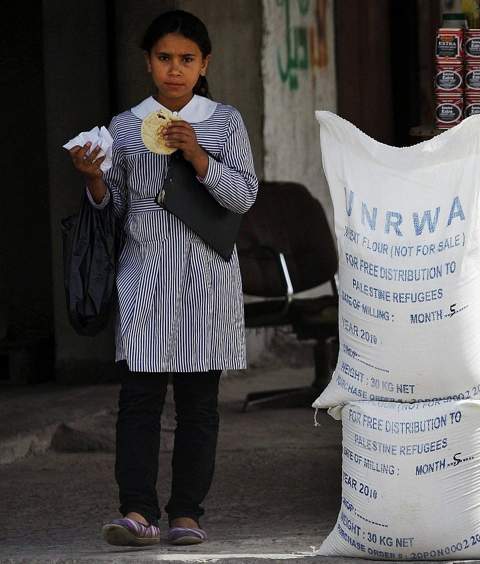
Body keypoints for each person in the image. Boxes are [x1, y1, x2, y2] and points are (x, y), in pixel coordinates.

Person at [67, 10, 258, 547]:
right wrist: (95, 182)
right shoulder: (125, 126)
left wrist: (197, 154)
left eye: (187, 59)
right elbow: (114, 210)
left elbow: (243, 198)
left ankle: (186, 515)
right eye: (164, 58)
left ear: (205, 65)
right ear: (149, 63)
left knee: (199, 404)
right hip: (145, 274)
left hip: (207, 276)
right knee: (140, 399)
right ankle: (136, 511)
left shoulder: (225, 121)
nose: (175, 70)